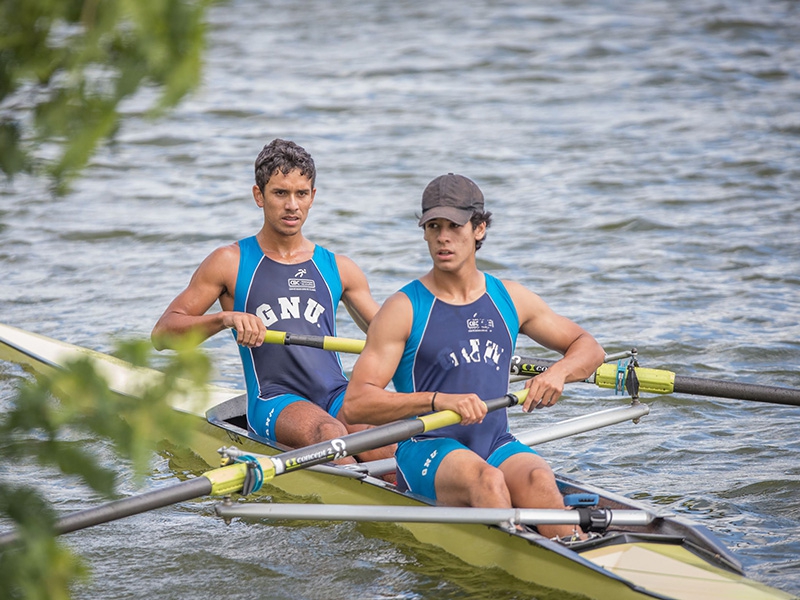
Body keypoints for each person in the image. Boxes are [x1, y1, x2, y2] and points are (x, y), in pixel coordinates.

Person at [341, 173, 605, 539]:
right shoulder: (404, 308)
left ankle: (574, 553)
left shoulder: (508, 298)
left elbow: (590, 348)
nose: (443, 237)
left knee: (538, 476)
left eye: (454, 226)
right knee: (488, 481)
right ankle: (521, 560)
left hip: (494, 442)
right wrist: (436, 400)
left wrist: (558, 373)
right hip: (427, 448)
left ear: (479, 228)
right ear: (424, 232)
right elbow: (355, 404)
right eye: (433, 226)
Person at [152, 138, 391, 467]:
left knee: (393, 442)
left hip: (336, 393)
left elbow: (392, 338)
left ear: (313, 197)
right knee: (330, 436)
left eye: (301, 194)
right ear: (258, 196)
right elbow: (163, 334)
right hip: (274, 400)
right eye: (280, 193)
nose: (292, 205)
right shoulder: (230, 262)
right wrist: (226, 319)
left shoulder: (338, 268)